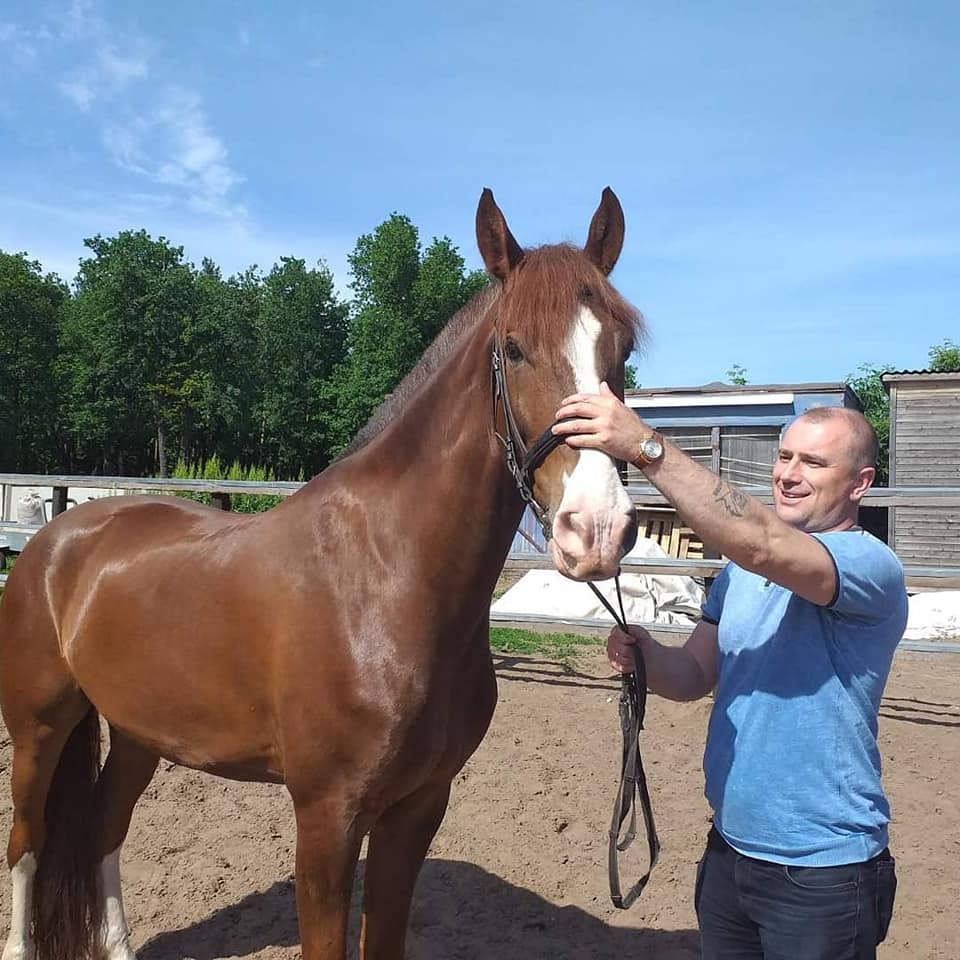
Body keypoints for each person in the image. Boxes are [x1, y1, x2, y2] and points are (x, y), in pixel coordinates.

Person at [552, 384, 907, 960]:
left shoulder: (868, 565)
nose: (789, 474)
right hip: (730, 854)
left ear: (859, 484)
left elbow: (763, 544)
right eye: (785, 456)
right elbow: (693, 673)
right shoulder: (740, 577)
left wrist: (644, 446)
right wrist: (646, 656)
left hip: (822, 870)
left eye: (813, 462)